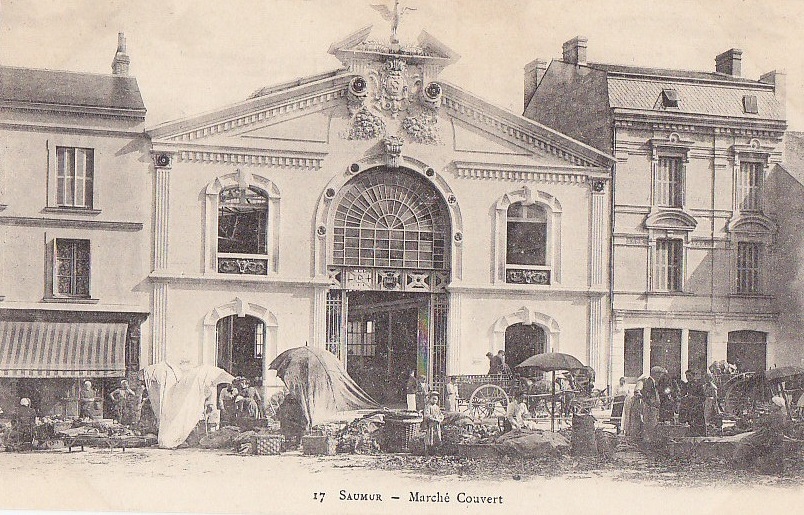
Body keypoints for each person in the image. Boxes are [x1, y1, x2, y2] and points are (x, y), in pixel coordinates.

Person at [734, 396, 792, 474]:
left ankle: (741, 463)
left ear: (776, 406)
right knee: (748, 439)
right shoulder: (779, 414)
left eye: (772, 404)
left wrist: (755, 418)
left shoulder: (776, 415)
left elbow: (763, 423)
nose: (771, 405)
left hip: (768, 436)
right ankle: (745, 463)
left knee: (745, 441)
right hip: (771, 435)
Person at [639, 367, 664, 445]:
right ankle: (648, 443)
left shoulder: (652, 382)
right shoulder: (649, 382)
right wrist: (652, 404)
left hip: (652, 407)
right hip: (650, 408)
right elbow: (646, 394)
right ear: (655, 374)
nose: (660, 376)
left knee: (652, 425)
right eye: (659, 374)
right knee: (650, 425)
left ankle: (650, 442)